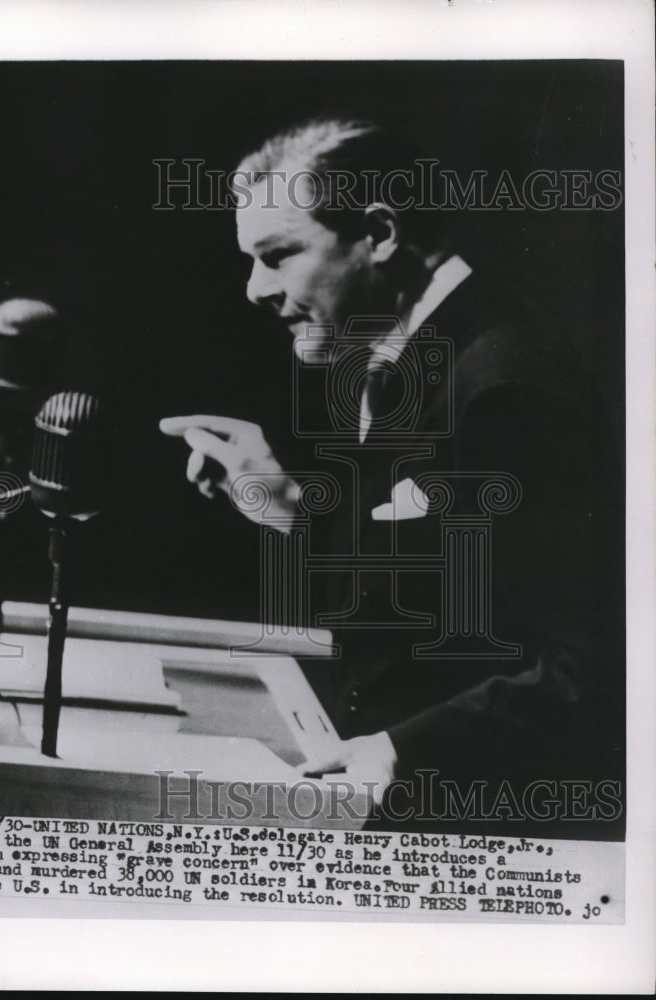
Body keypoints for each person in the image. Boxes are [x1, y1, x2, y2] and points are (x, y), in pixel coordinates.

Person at [160, 118, 624, 834]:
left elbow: (594, 666)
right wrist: (286, 506)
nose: (253, 289)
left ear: (378, 233)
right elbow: (444, 596)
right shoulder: (412, 351)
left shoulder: (506, 382)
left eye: (277, 255)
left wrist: (400, 751)